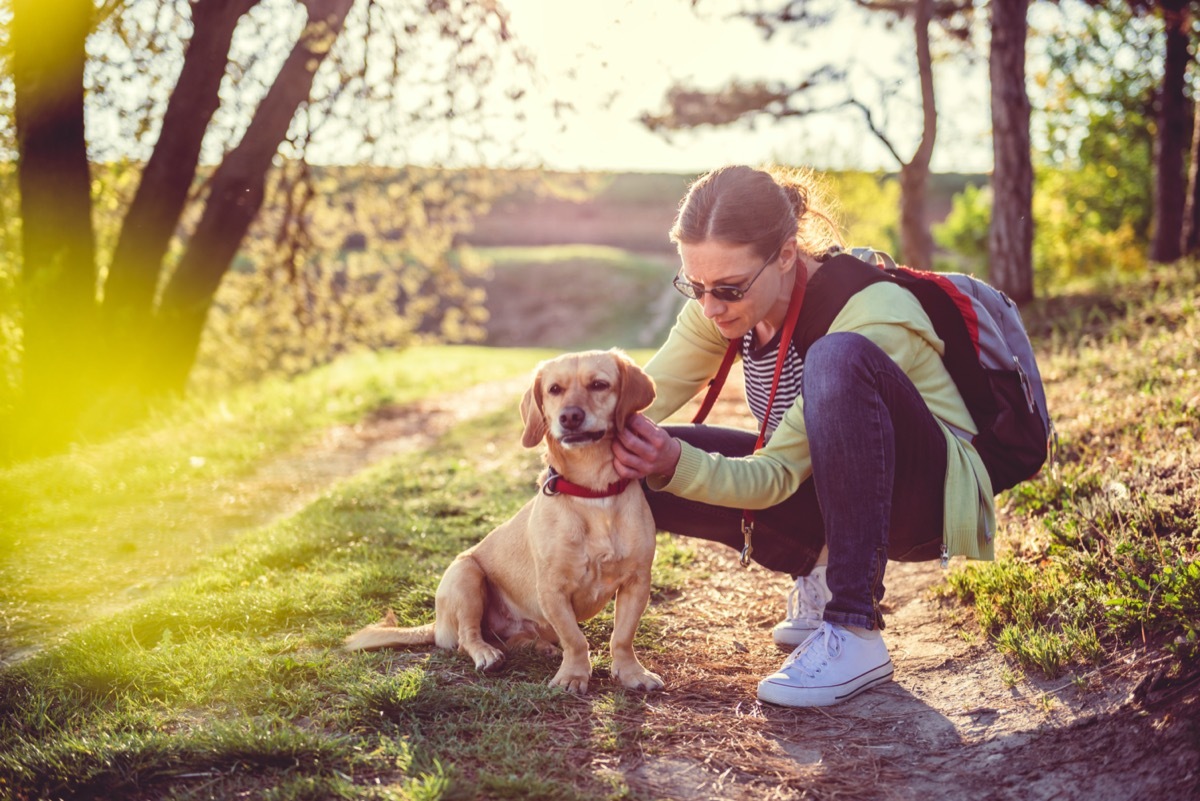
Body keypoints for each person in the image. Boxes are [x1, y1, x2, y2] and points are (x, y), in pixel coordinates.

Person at [612, 164, 996, 708]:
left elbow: (774, 476)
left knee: (834, 359)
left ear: (787, 255)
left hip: (923, 502)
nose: (710, 306)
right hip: (827, 485)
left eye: (727, 288)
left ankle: (855, 628)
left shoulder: (870, 315)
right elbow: (636, 401)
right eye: (694, 286)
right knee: (627, 456)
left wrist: (677, 461)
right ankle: (818, 566)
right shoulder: (722, 307)